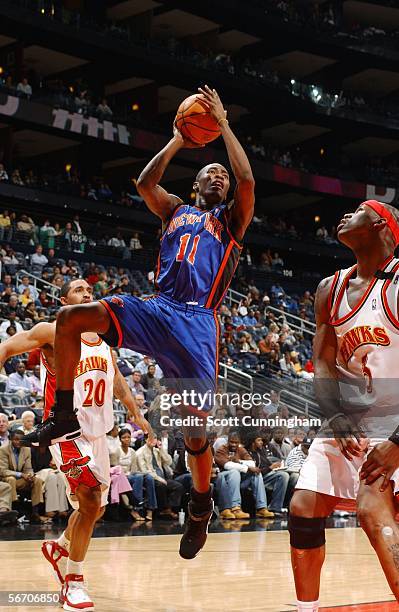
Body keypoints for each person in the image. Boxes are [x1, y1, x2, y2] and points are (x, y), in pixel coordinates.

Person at [25, 85, 255, 560]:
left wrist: (224, 125)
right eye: (210, 172)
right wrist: (177, 140)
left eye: (222, 177)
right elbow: (145, 185)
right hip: (158, 306)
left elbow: (248, 181)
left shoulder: (230, 221)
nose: (219, 177)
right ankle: (63, 414)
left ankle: (199, 505)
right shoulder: (175, 210)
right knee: (70, 319)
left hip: (197, 324)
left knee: (196, 436)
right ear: (195, 185)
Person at [0, 279, 151, 611]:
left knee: (95, 509)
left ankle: (60, 547)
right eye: (79, 289)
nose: (87, 293)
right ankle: (74, 583)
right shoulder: (51, 331)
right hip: (66, 433)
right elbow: (6, 348)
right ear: (63, 299)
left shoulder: (103, 343)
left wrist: (137, 415)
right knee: (90, 499)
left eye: (89, 291)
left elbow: (119, 383)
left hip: (98, 435)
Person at [289, 200, 399, 611]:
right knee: (303, 507)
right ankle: (306, 609)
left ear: (381, 225)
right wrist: (332, 413)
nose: (343, 216)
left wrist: (397, 442)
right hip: (348, 420)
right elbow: (322, 360)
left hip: (395, 422)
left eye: (355, 211)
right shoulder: (329, 289)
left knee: (373, 507)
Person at [215, 431, 274, 519]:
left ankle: (261, 508)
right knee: (234, 472)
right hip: (224, 480)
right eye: (232, 442)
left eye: (236, 442)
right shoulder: (221, 450)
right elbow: (227, 465)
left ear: (239, 442)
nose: (234, 444)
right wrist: (247, 468)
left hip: (239, 480)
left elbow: (252, 463)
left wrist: (240, 461)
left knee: (256, 474)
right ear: (228, 441)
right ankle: (236, 508)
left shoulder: (241, 449)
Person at [117, 428, 157, 521]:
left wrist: (132, 474)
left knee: (149, 478)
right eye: (124, 437)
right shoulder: (117, 451)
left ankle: (150, 508)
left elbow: (134, 469)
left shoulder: (132, 451)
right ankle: (136, 507)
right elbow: (115, 468)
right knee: (138, 477)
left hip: (131, 474)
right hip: (121, 476)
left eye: (128, 437)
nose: (126, 439)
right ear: (120, 439)